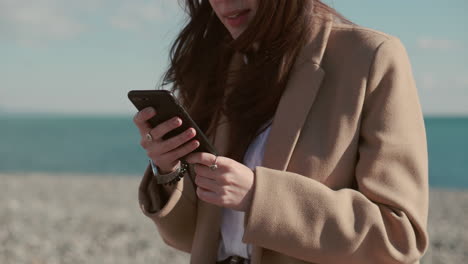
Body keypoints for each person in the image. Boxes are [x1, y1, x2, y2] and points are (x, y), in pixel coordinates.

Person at [133, 0, 429, 263]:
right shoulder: (215, 65)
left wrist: (258, 197)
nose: (222, 3)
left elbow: (399, 238)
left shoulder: (370, 57)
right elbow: (188, 239)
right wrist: (169, 171)